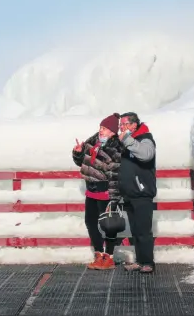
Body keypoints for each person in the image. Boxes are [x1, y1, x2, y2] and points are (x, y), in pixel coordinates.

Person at [72, 113, 123, 270]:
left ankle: (109, 256)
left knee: (108, 224)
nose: (101, 131)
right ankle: (99, 254)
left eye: (105, 129)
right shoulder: (92, 142)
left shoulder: (116, 148)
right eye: (101, 127)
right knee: (90, 222)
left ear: (113, 132)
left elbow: (116, 174)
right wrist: (79, 152)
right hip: (91, 190)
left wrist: (114, 198)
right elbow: (80, 162)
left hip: (105, 191)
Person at [117, 111, 157, 273]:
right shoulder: (128, 141)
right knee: (135, 230)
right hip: (129, 192)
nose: (121, 128)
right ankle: (140, 261)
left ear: (133, 125)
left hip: (142, 192)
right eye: (120, 125)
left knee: (143, 229)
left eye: (124, 124)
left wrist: (127, 139)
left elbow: (146, 155)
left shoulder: (145, 138)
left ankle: (148, 262)